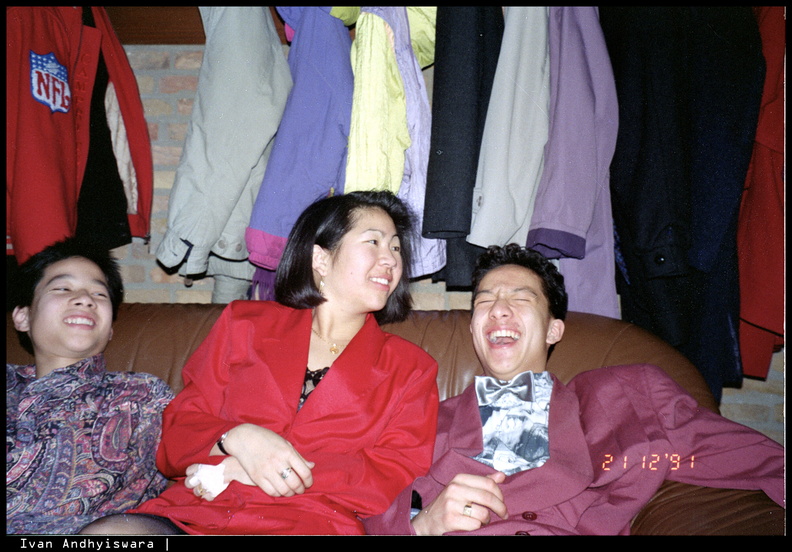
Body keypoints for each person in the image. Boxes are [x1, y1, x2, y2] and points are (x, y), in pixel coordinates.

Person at [80, 190, 439, 535]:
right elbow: (177, 435)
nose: (391, 259)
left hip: (312, 522)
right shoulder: (245, 323)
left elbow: (394, 474)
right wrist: (238, 438)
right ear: (320, 259)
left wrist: (262, 469)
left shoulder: (411, 367)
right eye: (374, 242)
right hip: (201, 509)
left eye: (396, 248)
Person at [363, 243, 785, 536]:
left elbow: (746, 456)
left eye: (521, 298)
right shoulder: (417, 421)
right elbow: (358, 509)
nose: (499, 309)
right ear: (473, 328)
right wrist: (421, 526)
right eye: (484, 301)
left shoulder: (628, 395)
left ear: (554, 330)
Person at [6, 238, 174, 535]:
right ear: (23, 317)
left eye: (99, 293)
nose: (85, 299)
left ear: (110, 331)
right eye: (63, 288)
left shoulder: (141, 394)